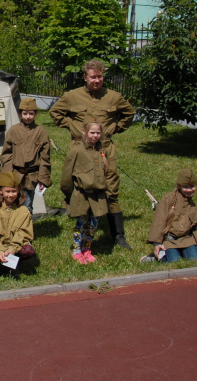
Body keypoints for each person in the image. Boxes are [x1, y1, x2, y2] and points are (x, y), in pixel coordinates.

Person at [50, 59, 136, 249]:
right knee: (81, 188)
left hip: (105, 149)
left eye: (100, 77)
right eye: (93, 77)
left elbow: (129, 113)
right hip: (82, 150)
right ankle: (81, 231)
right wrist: (72, 128)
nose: (97, 81)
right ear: (85, 77)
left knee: (111, 189)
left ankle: (118, 236)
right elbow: (55, 112)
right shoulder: (72, 96)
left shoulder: (113, 96)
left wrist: (115, 129)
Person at [60, 122, 109, 265]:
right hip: (81, 194)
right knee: (81, 222)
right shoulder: (76, 151)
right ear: (84, 132)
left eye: (98, 133)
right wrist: (70, 195)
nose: (95, 136)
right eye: (92, 133)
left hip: (98, 195)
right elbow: (66, 177)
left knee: (93, 224)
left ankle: (87, 248)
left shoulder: (101, 150)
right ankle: (77, 250)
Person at [141, 169, 197, 264]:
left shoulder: (193, 206)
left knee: (195, 261)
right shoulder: (169, 199)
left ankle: (183, 253)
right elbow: (159, 221)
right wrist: (157, 243)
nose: (190, 190)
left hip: (186, 240)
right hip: (169, 241)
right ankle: (155, 258)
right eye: (186, 187)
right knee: (174, 262)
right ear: (179, 186)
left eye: (192, 186)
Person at [0, 97, 52, 212]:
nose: (28, 117)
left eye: (31, 113)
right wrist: (8, 175)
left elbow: (45, 158)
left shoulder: (41, 132)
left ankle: (26, 229)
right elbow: (6, 154)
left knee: (27, 206)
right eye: (25, 113)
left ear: (36, 114)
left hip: (32, 176)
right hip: (15, 175)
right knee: (12, 206)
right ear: (20, 113)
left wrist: (43, 178)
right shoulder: (13, 131)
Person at [0, 172, 36, 278]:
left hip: (15, 247)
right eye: (7, 191)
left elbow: (24, 233)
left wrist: (12, 249)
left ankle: (16, 263)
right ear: (0, 191)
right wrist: (0, 251)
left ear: (18, 191)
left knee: (29, 251)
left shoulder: (24, 211)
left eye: (14, 191)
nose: (11, 195)